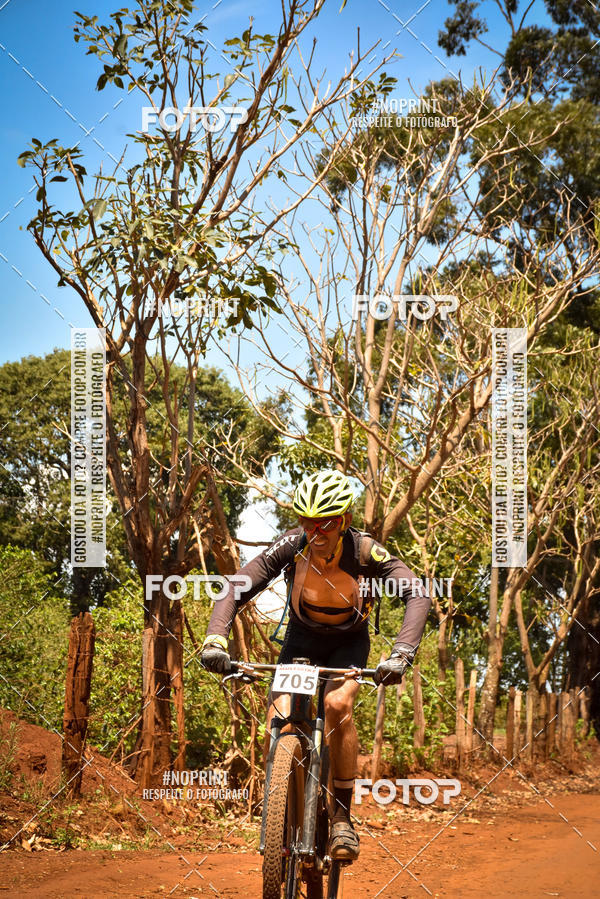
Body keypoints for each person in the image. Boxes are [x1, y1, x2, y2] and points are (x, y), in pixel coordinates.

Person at [201, 469, 431, 861]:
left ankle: (341, 818)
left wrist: (401, 653)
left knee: (337, 706)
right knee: (279, 716)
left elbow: (418, 594)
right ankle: (285, 809)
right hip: (301, 639)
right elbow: (237, 585)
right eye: (307, 522)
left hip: (348, 642)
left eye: (325, 524)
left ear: (344, 521)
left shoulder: (365, 552)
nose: (315, 532)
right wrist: (215, 638)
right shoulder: (293, 544)